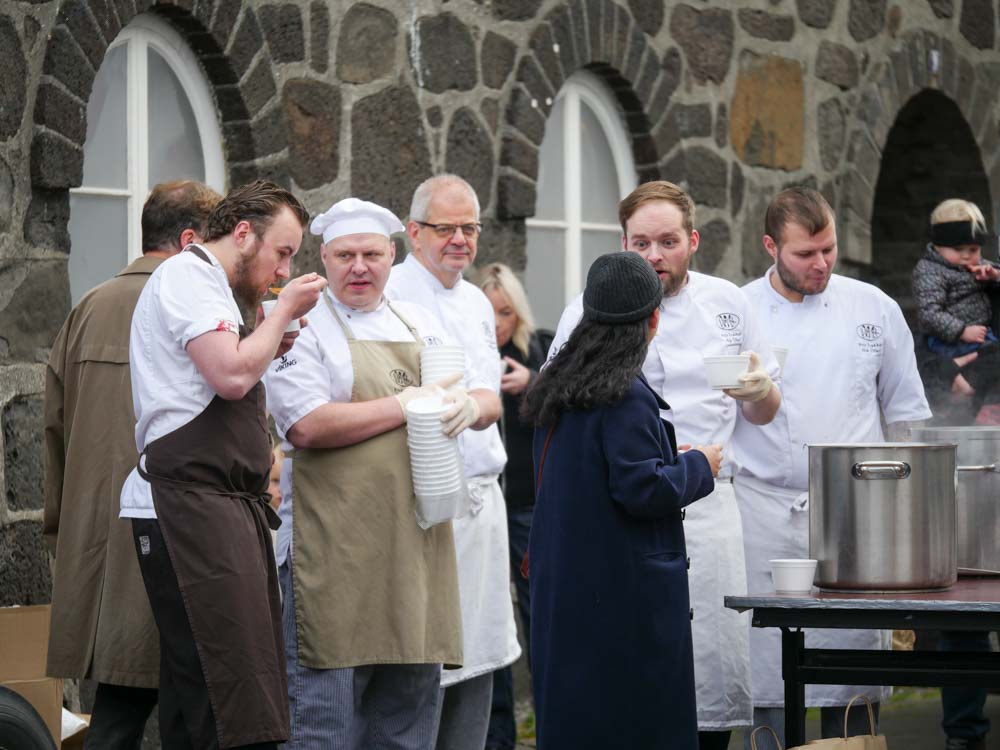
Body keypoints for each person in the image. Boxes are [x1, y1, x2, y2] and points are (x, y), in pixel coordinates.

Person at [548, 180, 780, 750]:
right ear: (621, 242)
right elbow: (564, 410)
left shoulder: (729, 302)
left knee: (715, 670)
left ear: (693, 240)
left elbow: (768, 413)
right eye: (641, 243)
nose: (655, 256)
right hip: (633, 508)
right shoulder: (587, 310)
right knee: (646, 671)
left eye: (668, 242)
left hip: (710, 502)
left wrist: (758, 389)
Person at [119, 179, 326, 749]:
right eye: (282, 253)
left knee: (228, 689)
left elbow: (228, 368)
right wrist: (281, 312)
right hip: (183, 505)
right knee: (212, 689)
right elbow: (231, 375)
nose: (284, 269)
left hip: (221, 505)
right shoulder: (188, 276)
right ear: (242, 234)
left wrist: (269, 335)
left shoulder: (214, 288)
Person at [263, 197, 470, 750]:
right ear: (324, 259)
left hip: (415, 545)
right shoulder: (299, 325)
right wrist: (408, 404)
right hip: (333, 549)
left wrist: (464, 407)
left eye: (372, 254)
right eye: (345, 255)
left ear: (392, 255)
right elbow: (306, 425)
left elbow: (455, 393)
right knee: (323, 723)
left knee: (406, 718)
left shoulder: (421, 322)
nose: (359, 267)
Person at [733, 187, 931, 749]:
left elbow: (905, 416)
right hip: (764, 512)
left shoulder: (874, 307)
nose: (820, 264)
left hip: (854, 517)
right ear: (770, 246)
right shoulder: (740, 310)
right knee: (767, 671)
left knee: (852, 675)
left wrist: (906, 518)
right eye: (804, 253)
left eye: (829, 249)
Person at [43, 180, 220, 749]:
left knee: (117, 713)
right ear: (190, 240)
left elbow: (54, 430)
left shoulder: (88, 307)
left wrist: (63, 534)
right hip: (174, 539)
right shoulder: (200, 312)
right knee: (187, 711)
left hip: (99, 546)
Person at [524, 251, 719, 750]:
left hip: (571, 589)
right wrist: (700, 466)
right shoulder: (624, 394)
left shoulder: (558, 384)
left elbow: (594, 470)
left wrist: (665, 454)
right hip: (623, 597)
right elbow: (643, 490)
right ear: (652, 320)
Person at [386, 175, 521, 750]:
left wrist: (473, 405)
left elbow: (491, 395)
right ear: (415, 233)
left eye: (471, 228)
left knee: (483, 659)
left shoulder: (473, 300)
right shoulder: (388, 293)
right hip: (422, 505)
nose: (462, 240)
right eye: (448, 228)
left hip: (482, 501)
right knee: (423, 664)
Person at [477, 263, 552, 750]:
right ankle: (498, 737)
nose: (499, 322)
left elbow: (570, 401)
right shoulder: (471, 350)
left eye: (506, 312)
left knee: (539, 618)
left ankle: (550, 728)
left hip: (528, 506)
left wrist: (533, 382)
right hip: (486, 503)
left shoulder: (538, 348)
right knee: (489, 621)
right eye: (491, 312)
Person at [912, 198, 1000, 422]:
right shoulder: (931, 271)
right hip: (950, 341)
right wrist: (962, 331)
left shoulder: (977, 266)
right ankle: (964, 393)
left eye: (974, 249)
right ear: (939, 247)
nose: (967, 256)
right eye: (958, 249)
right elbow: (929, 313)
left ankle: (972, 404)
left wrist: (994, 276)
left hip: (981, 338)